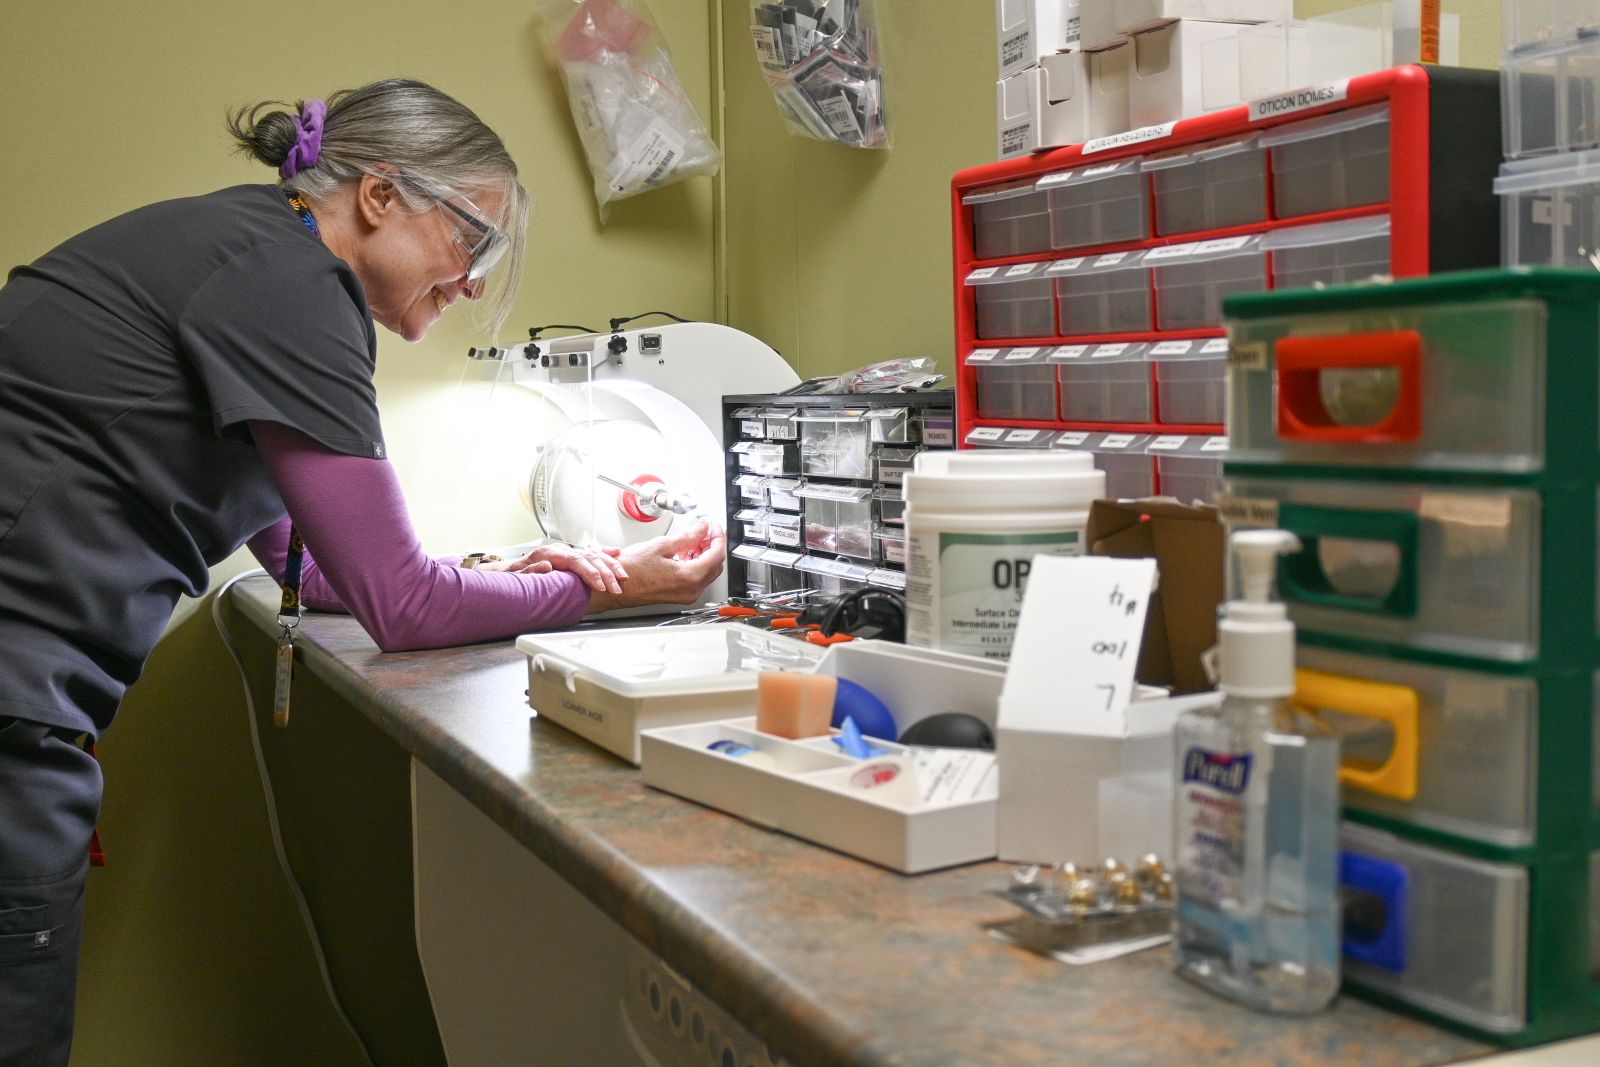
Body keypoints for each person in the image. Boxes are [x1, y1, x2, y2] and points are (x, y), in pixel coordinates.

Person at [0, 78, 724, 1066]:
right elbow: (403, 604)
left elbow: (327, 574)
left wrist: (506, 564)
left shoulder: (242, 252)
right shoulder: (292, 284)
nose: (474, 280)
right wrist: (612, 589)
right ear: (381, 197)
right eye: (475, 239)